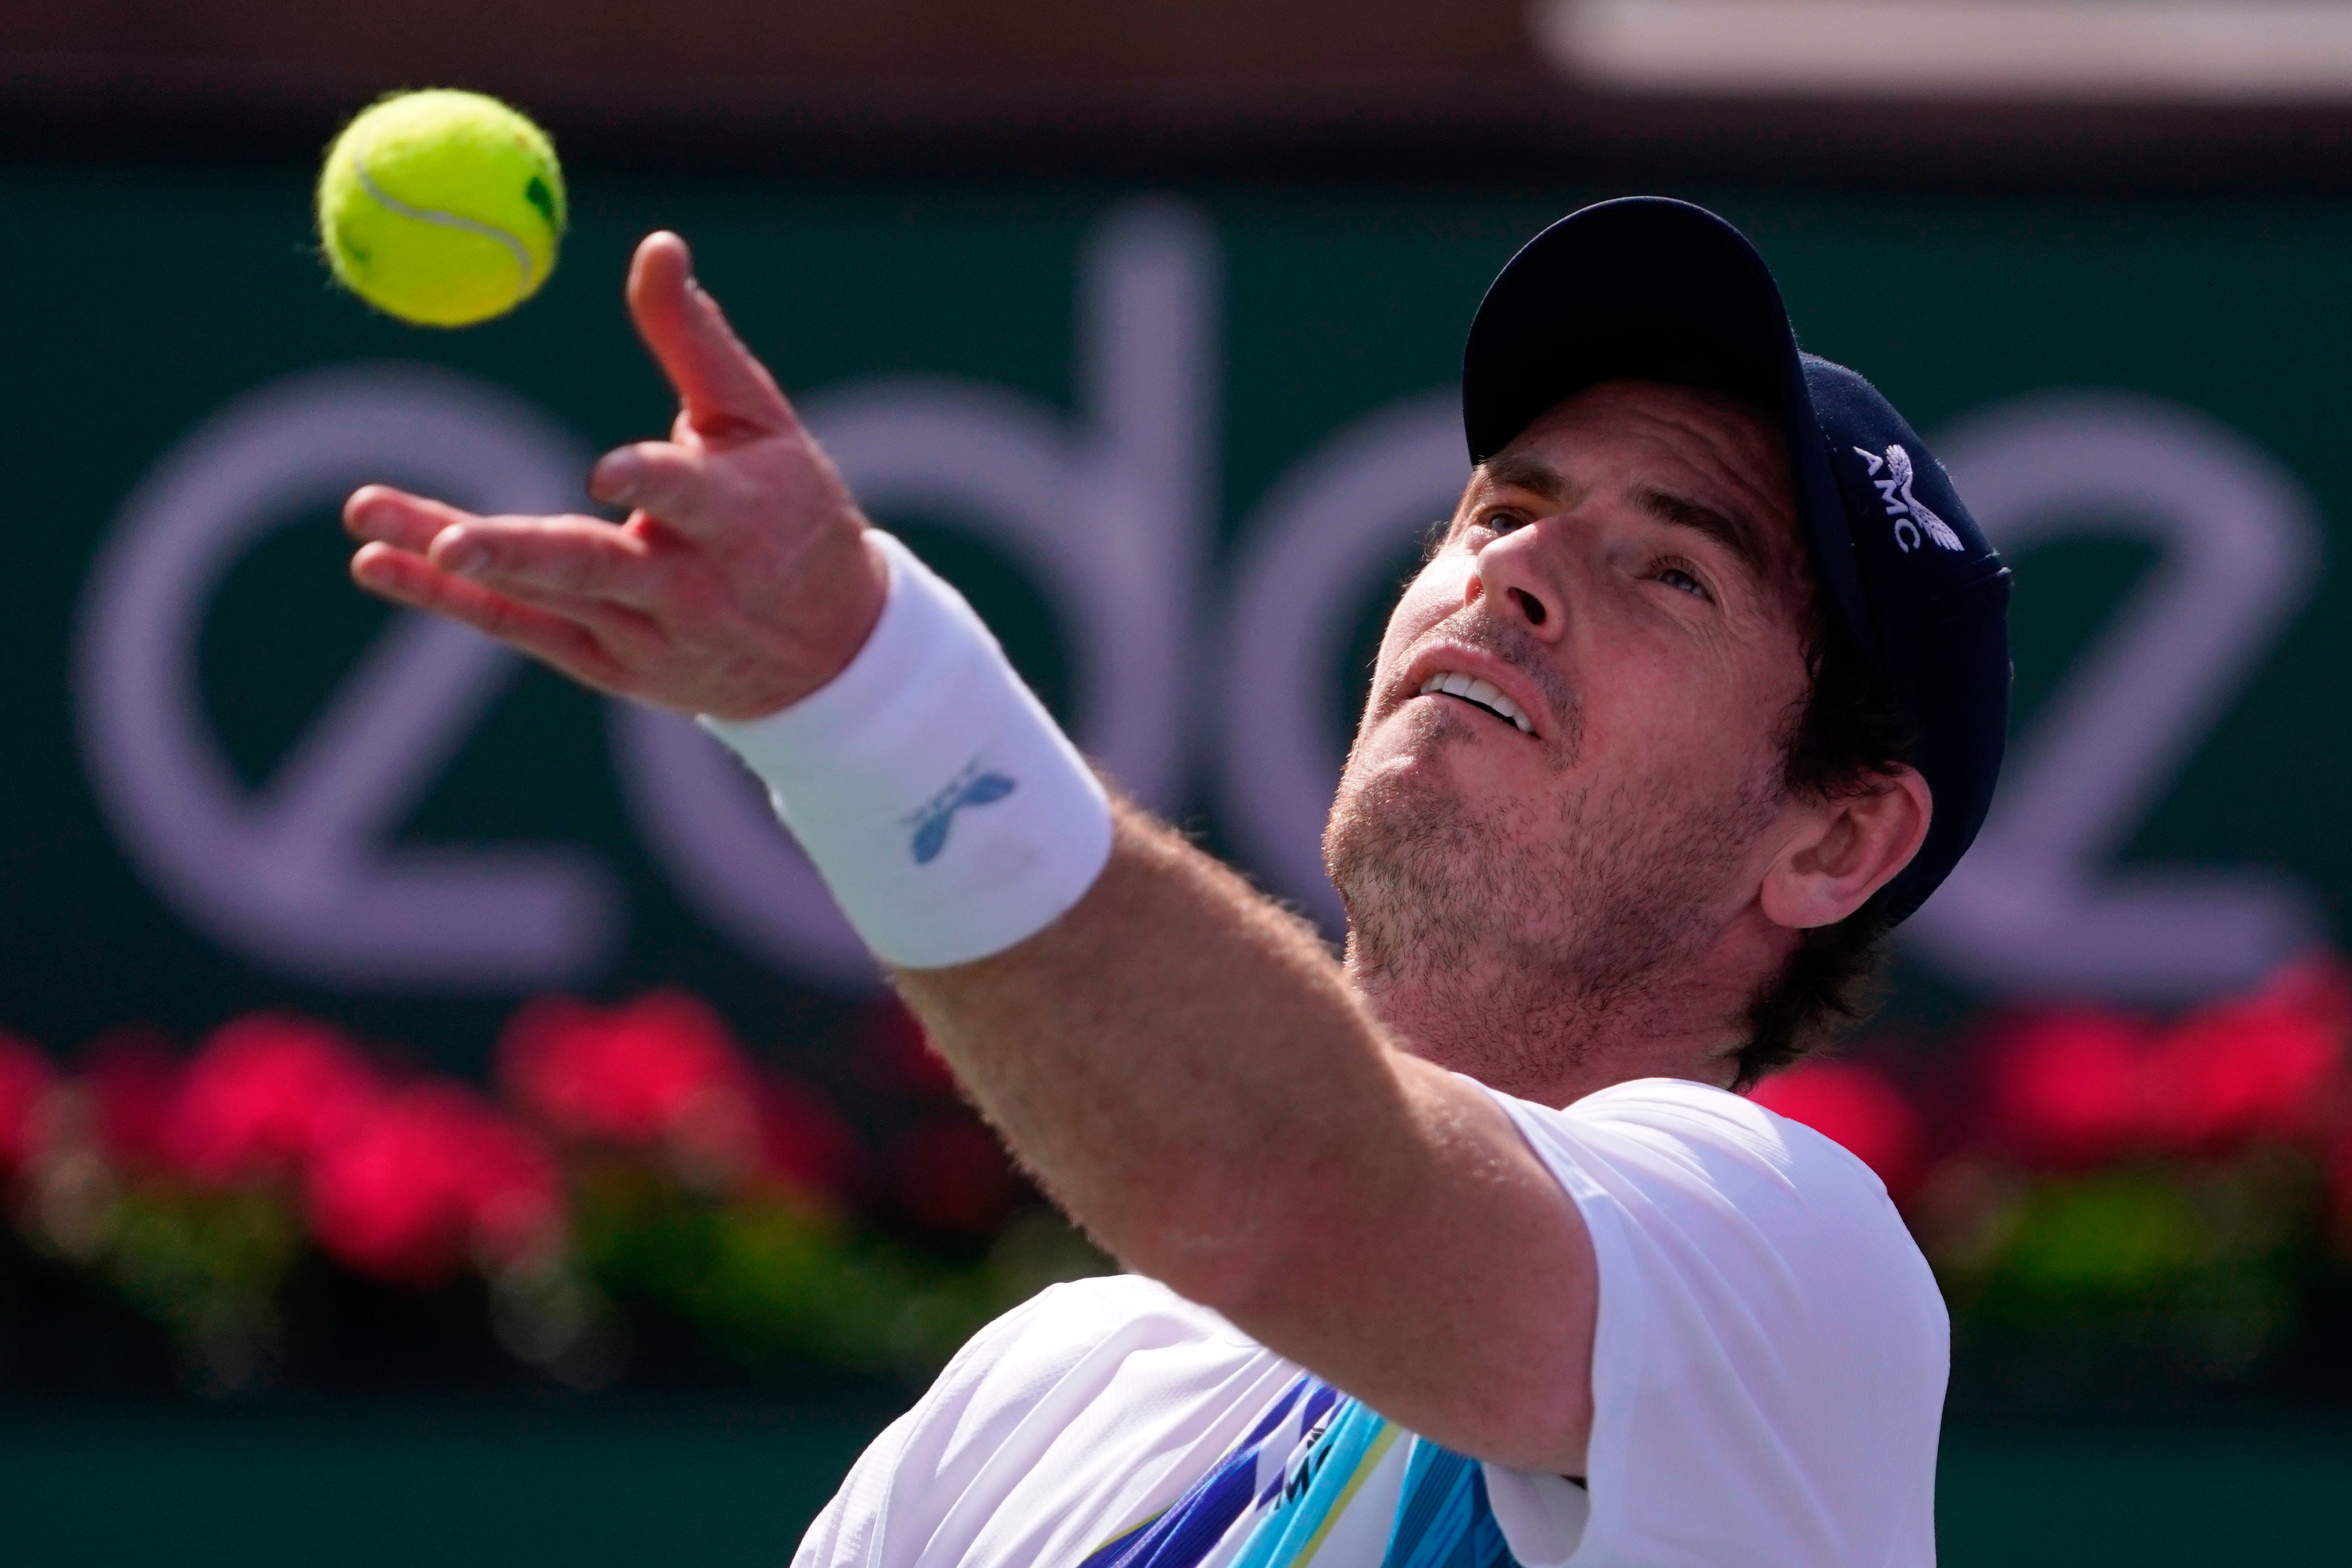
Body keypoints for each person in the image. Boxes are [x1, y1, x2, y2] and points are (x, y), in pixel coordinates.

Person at [343, 197, 2010, 1567]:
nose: (1515, 573)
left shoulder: (1793, 1282)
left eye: (1671, 570)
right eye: (1507, 507)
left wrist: (864, 694)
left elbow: (1282, 1184)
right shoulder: (1032, 1402)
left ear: (1834, 839)